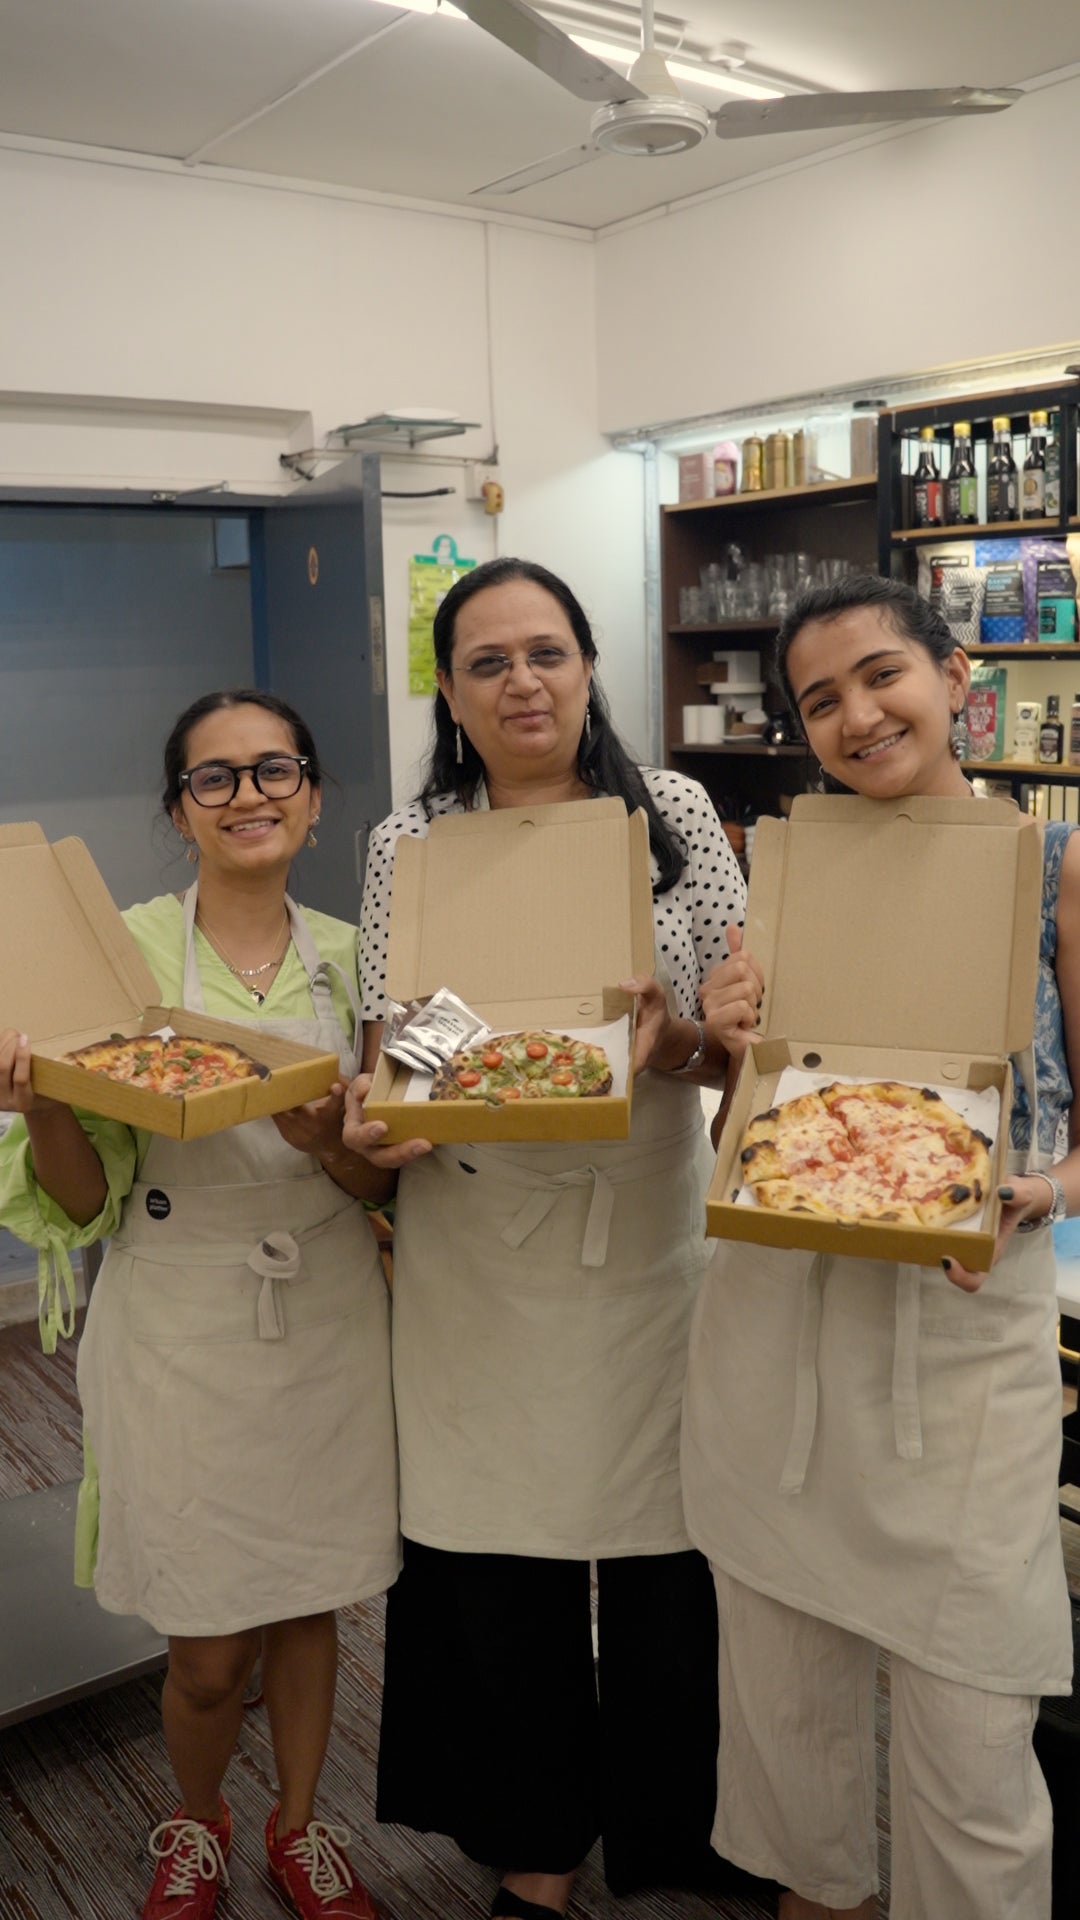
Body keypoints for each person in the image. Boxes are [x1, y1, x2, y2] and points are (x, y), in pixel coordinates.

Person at [343, 556, 756, 1920]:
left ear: (588, 667)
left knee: (663, 1553)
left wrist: (675, 1034)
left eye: (546, 653)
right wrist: (388, 1106)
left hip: (646, 1231)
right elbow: (404, 1044)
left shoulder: (677, 815)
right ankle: (531, 1837)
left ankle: (670, 1832)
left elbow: (735, 1050)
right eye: (487, 663)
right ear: (452, 696)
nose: (522, 681)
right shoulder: (410, 844)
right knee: (493, 1551)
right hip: (478, 1239)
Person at [683, 573, 1077, 1920]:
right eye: (820, 700)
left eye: (880, 675)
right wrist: (730, 1040)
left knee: (972, 1720)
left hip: (965, 1330)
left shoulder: (1055, 862)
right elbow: (761, 1122)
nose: (856, 715)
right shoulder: (786, 864)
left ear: (957, 677)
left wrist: (1045, 1186)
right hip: (780, 1318)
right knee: (789, 1705)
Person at [0, 690, 400, 1920]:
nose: (249, 797)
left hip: (327, 1304)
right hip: (177, 1318)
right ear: (178, 812)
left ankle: (297, 1826)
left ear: (316, 796)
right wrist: (48, 1102)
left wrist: (331, 1141)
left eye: (274, 771)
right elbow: (81, 1209)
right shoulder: (118, 956)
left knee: (309, 1598)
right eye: (214, 779)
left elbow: (380, 1180)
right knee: (209, 1642)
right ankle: (195, 1820)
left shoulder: (359, 956)